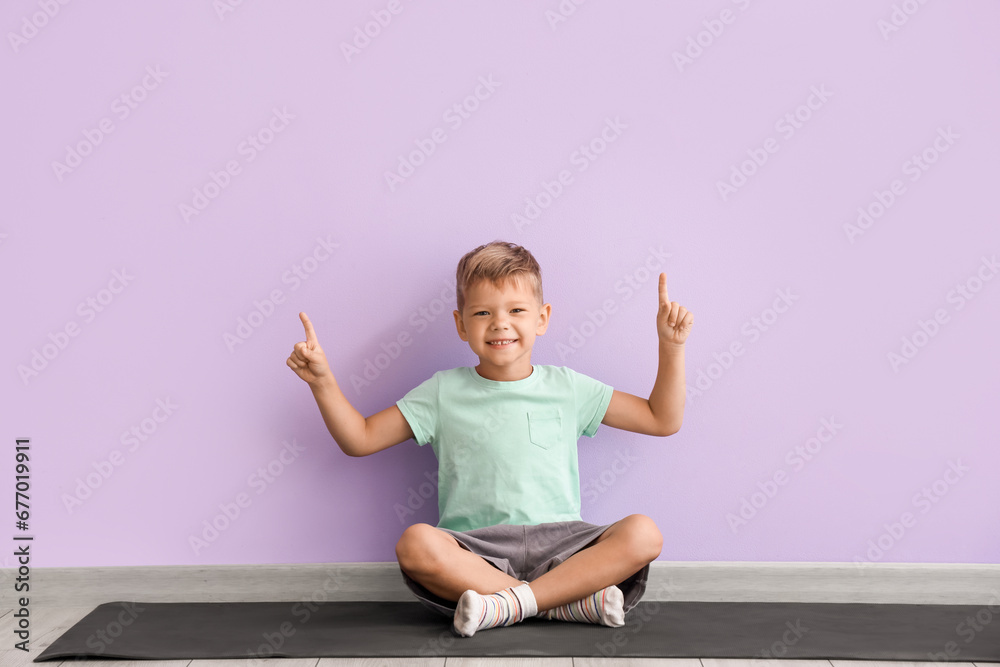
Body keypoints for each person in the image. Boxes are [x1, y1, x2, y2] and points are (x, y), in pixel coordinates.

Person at [286, 240, 692, 637]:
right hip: (476, 552)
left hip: (564, 546)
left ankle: (507, 606)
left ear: (542, 318)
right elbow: (360, 438)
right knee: (415, 544)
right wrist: (323, 382)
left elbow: (661, 419)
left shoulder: (569, 387)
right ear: (461, 325)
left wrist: (671, 347)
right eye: (482, 312)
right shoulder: (442, 392)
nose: (500, 322)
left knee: (643, 533)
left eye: (516, 310)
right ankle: (561, 605)